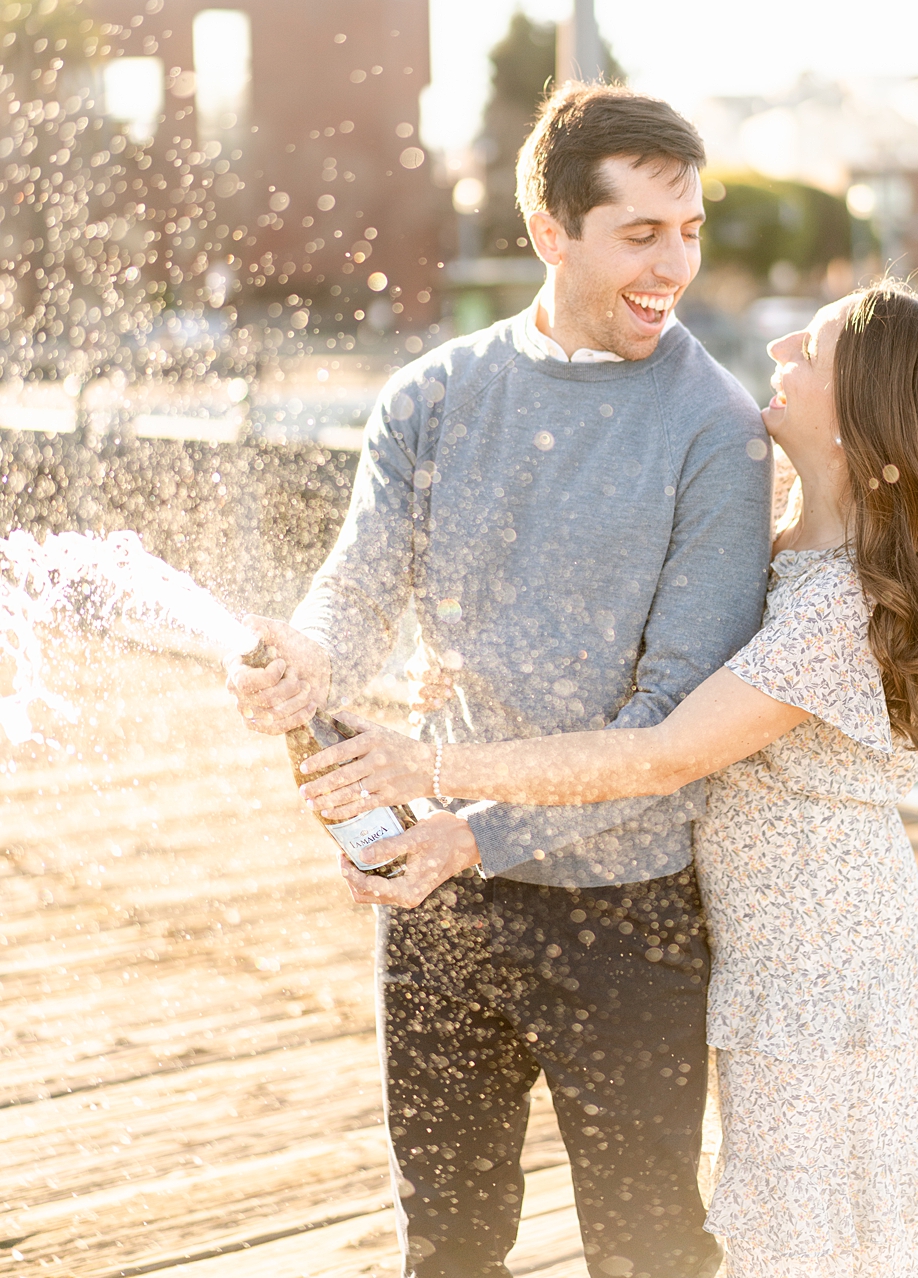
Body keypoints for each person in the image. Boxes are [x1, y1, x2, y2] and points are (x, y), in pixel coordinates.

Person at [306, 282, 918, 1278]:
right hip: (765, 954)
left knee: (805, 1241)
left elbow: (663, 750)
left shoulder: (842, 611)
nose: (776, 345)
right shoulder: (790, 557)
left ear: (873, 434)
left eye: (811, 351)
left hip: (816, 971)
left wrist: (429, 767)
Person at [229, 82, 773, 1278]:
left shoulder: (717, 432)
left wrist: (472, 829)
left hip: (624, 914)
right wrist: (305, 655)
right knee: (447, 1242)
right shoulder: (429, 397)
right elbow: (357, 590)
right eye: (639, 233)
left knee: (646, 1252)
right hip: (440, 897)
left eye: (687, 230)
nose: (671, 264)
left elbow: (670, 726)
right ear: (550, 233)